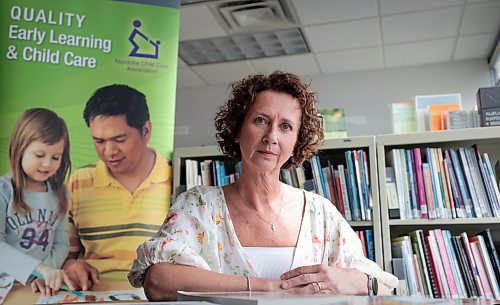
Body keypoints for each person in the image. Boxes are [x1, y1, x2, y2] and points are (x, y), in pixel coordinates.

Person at [128, 71, 398, 300]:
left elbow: (384, 287)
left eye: (286, 127)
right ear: (237, 129)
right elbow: (158, 280)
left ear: (296, 142)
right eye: (261, 120)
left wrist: (352, 281)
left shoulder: (320, 213)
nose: (271, 137)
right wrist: (269, 287)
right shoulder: (199, 206)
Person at [63, 84, 172, 290]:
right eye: (99, 141)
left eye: (119, 139)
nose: (109, 151)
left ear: (146, 131)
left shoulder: (174, 178)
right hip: (93, 294)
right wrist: (72, 266)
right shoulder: (79, 181)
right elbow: (63, 257)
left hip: (155, 295)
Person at [0, 108, 75, 296]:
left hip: (39, 286)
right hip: (7, 287)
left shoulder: (61, 194)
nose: (47, 164)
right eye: (39, 155)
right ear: (20, 149)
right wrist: (38, 269)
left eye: (55, 157)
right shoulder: (4, 190)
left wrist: (45, 274)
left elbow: (61, 243)